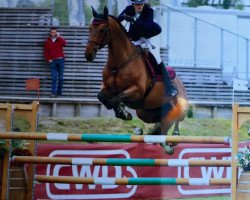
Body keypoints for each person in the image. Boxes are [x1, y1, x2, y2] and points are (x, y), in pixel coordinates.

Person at [118, 0, 177, 97]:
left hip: (151, 35)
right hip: (137, 36)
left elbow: (147, 27)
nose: (139, 6)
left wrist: (133, 20)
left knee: (156, 57)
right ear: (133, 4)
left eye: (141, 4)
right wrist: (123, 17)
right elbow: (118, 19)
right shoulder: (129, 9)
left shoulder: (149, 11)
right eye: (137, 4)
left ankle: (169, 86)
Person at [44, 27, 67, 97]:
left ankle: (59, 93)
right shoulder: (47, 41)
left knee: (61, 78)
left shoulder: (59, 40)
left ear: (56, 33)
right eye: (52, 32)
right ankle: (53, 93)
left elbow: (65, 44)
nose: (53, 33)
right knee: (54, 78)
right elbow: (46, 52)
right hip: (53, 61)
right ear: (50, 33)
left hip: (61, 60)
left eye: (54, 32)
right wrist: (49, 59)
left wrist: (59, 37)